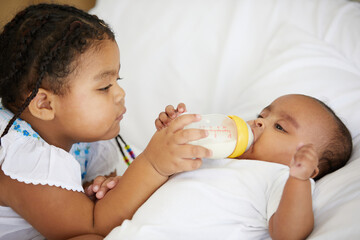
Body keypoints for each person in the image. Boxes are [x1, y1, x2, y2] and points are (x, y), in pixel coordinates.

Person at [0, 3, 212, 239]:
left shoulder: (83, 139)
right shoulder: (23, 159)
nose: (120, 93)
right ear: (44, 105)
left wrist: (104, 188)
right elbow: (91, 226)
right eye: (104, 87)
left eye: (117, 79)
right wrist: (153, 163)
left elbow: (93, 202)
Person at [106, 94, 353, 240]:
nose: (258, 122)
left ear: (308, 167)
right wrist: (171, 136)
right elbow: (155, 175)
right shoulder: (216, 153)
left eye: (280, 127)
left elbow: (288, 233)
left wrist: (298, 180)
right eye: (263, 114)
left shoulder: (281, 178)